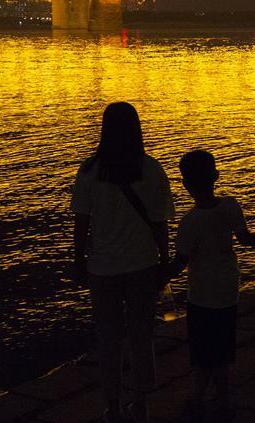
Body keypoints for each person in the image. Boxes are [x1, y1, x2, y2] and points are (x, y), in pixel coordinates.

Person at [71, 102, 175, 423]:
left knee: (109, 339)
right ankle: (141, 403)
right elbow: (160, 223)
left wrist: (77, 259)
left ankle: (113, 407)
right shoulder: (151, 169)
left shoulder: (89, 171)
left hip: (103, 268)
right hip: (143, 264)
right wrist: (164, 260)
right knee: (142, 335)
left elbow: (81, 223)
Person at [165, 150, 255, 421]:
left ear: (184, 184)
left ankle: (201, 398)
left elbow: (179, 263)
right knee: (222, 346)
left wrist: (153, 277)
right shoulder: (230, 206)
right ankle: (220, 396)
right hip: (228, 290)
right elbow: (246, 239)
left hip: (202, 296)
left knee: (203, 350)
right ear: (216, 176)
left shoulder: (189, 222)